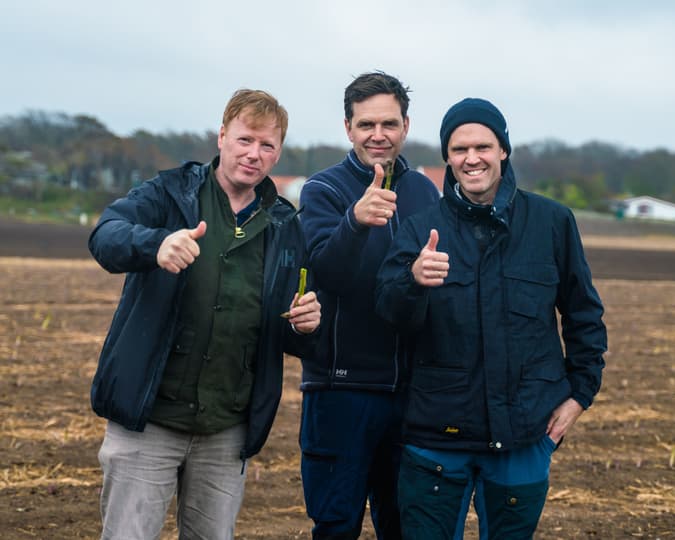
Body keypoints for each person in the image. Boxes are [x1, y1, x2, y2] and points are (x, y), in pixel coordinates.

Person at [88, 89, 321, 540]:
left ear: (278, 153)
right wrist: (156, 244)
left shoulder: (285, 226)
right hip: (149, 421)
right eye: (245, 139)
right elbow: (106, 235)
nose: (254, 154)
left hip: (225, 430)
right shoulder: (170, 193)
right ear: (221, 136)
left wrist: (307, 325)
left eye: (267, 145)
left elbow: (291, 329)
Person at [375, 98, 607, 539]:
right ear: (447, 157)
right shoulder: (420, 228)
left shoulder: (551, 223)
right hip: (436, 439)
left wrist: (580, 394)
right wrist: (412, 280)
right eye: (459, 149)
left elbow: (583, 315)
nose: (472, 158)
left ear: (503, 150)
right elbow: (389, 312)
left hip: (525, 434)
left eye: (483, 146)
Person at [297, 71, 440, 539]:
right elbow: (325, 272)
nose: (378, 135)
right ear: (347, 128)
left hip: (410, 396)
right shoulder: (324, 191)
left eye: (389, 124)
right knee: (336, 525)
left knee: (404, 525)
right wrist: (355, 223)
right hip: (342, 392)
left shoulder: (424, 193)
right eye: (366, 125)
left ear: (405, 125)